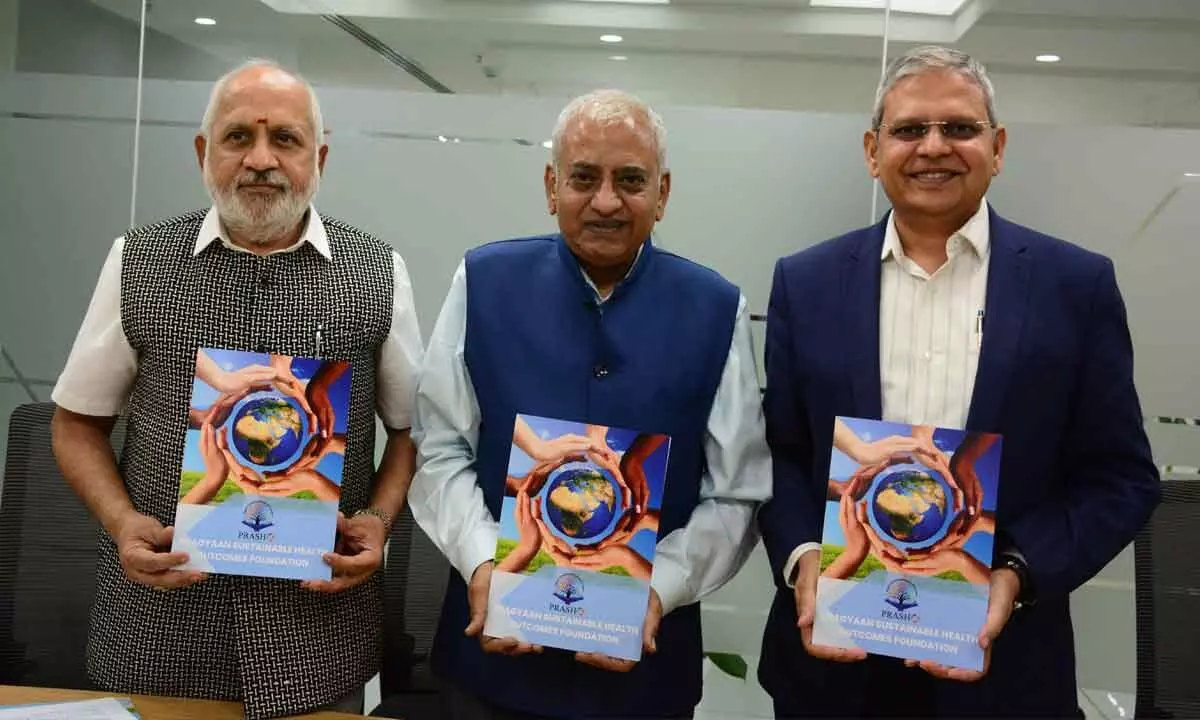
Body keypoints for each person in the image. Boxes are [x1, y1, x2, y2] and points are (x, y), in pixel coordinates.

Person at [757, 46, 1160, 718]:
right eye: (910, 129)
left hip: (1005, 669)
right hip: (831, 668)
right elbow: (781, 452)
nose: (933, 147)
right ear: (872, 149)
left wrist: (1018, 573)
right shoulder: (807, 282)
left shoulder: (1075, 287)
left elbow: (1120, 478)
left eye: (960, 128)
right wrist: (803, 557)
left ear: (997, 148)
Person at [49, 59, 423, 719]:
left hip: (316, 640)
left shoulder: (377, 272)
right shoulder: (137, 261)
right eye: (237, 138)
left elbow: (410, 430)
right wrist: (120, 521)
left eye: (285, 139)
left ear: (319, 156)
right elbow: (75, 423)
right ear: (203, 151)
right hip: (159, 631)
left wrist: (380, 520)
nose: (259, 159)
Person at [407, 88, 771, 718]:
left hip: (644, 676)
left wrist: (657, 590)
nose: (606, 200)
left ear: (662, 193)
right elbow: (441, 451)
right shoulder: (483, 281)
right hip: (491, 668)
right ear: (552, 187)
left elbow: (735, 491)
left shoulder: (716, 308)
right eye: (584, 178)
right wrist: (481, 563)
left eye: (631, 179)